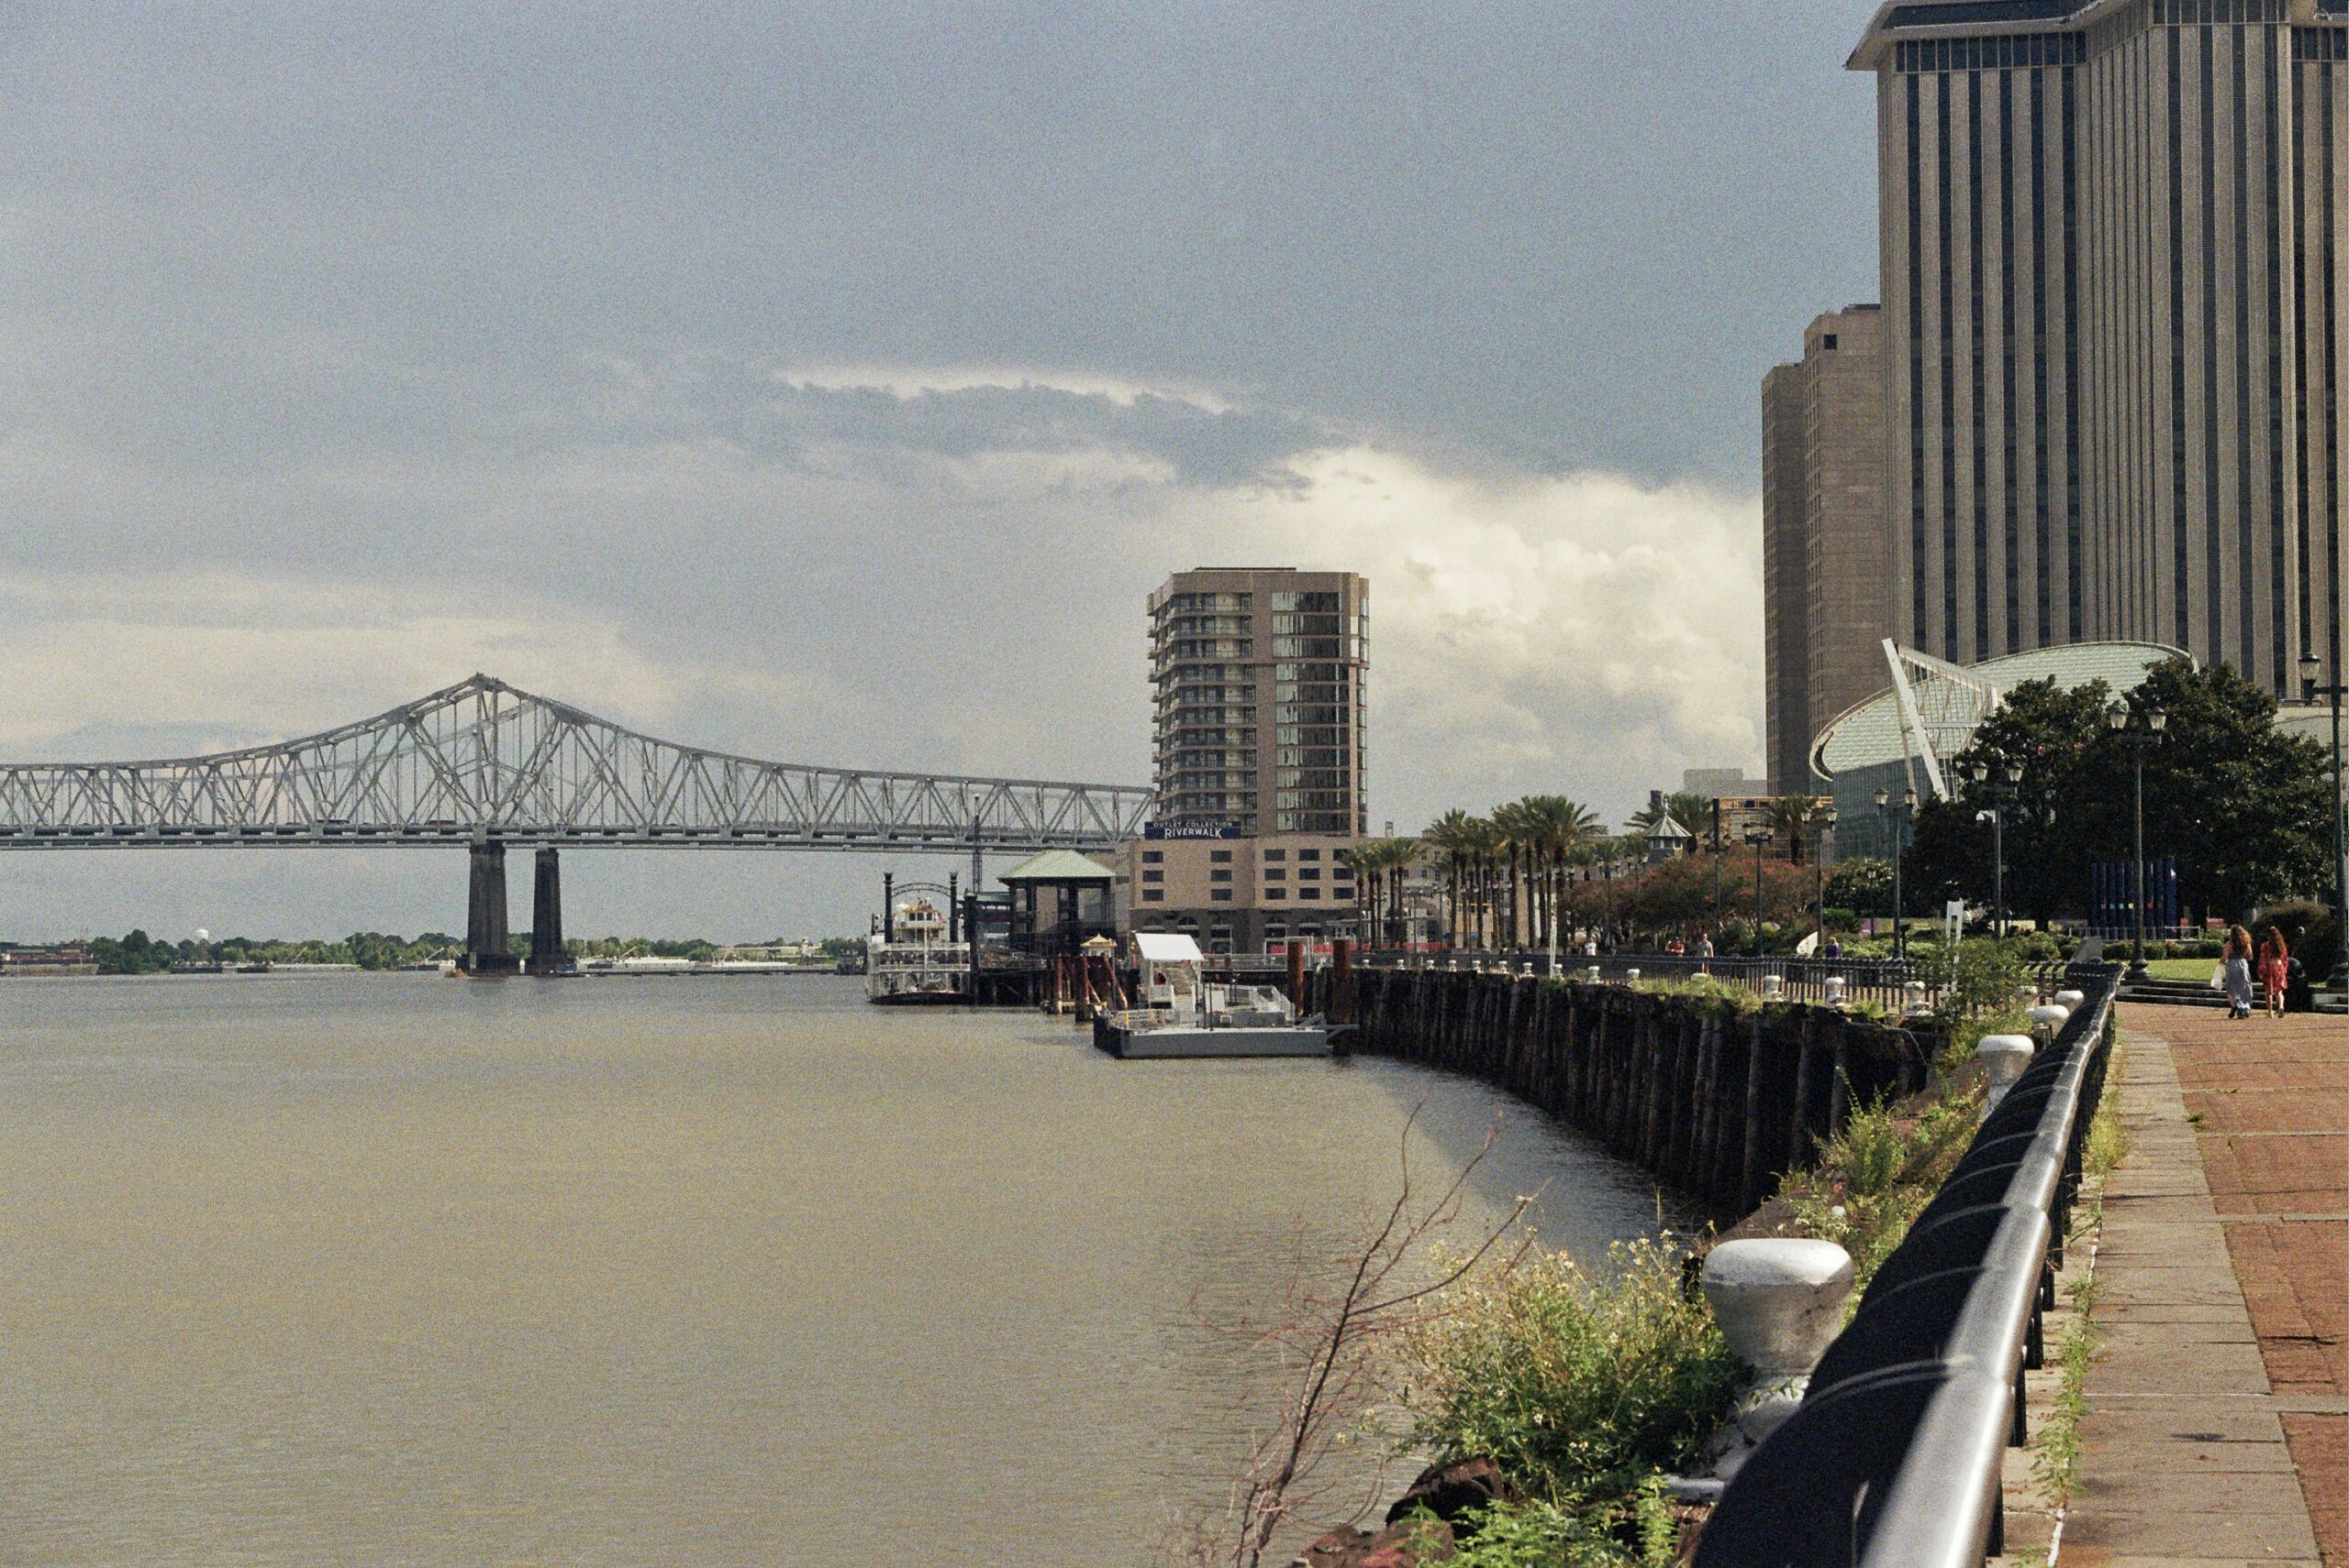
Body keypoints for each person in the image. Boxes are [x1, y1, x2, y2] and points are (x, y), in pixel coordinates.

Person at [2223, 924, 2255, 1020]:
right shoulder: (2246, 943)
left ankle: (2235, 1004)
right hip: (2243, 963)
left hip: (2232, 964)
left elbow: (2224, 957)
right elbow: (2250, 956)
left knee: (2231, 986)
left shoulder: (2229, 944)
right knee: (2245, 986)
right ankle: (2244, 1008)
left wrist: (2221, 963)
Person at [2258, 927, 2289, 1019]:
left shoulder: (2266, 946)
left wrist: (2261, 970)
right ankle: (2281, 1006)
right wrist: (2285, 969)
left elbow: (2263, 958)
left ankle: (2270, 1012)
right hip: (2279, 967)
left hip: (2270, 967)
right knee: (2279, 991)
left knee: (2269, 992)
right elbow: (2285, 959)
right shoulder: (2281, 946)